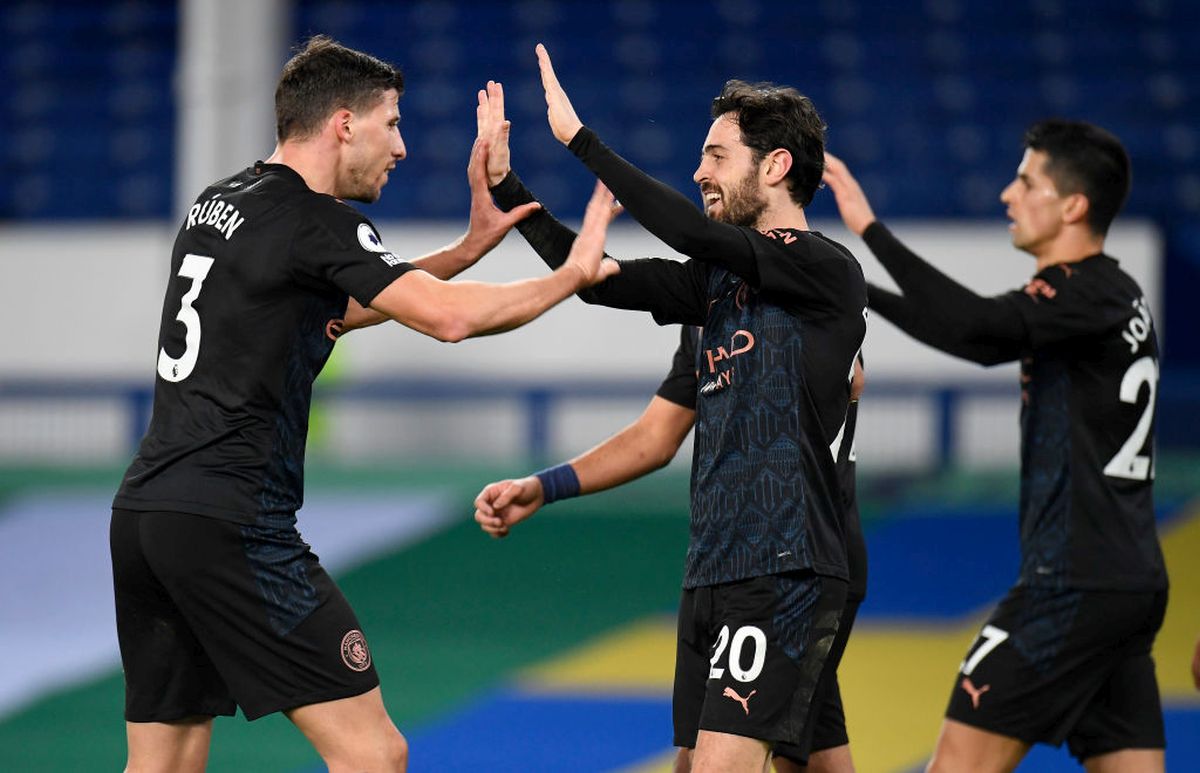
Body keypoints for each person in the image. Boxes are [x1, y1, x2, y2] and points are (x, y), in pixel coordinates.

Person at [109, 36, 621, 773]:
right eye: (392, 123)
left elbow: (334, 303)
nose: (403, 147)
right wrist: (569, 276)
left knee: (164, 763)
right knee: (374, 754)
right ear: (344, 123)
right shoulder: (322, 222)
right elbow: (448, 319)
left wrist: (462, 251)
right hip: (234, 522)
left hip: (147, 517)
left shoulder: (218, 203)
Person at [478, 46, 867, 771]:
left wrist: (580, 141)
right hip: (715, 567)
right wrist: (508, 186)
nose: (699, 172)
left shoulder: (826, 272)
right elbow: (592, 279)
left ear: (776, 165)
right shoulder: (713, 292)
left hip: (787, 563)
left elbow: (690, 233)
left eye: (716, 156)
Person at [822, 121, 1168, 772]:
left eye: (1027, 180)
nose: (1009, 194)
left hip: (1070, 585)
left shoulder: (1081, 289)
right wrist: (856, 291)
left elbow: (975, 325)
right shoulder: (1114, 296)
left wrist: (869, 232)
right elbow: (979, 341)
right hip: (1128, 589)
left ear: (1073, 205)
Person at [474, 327, 867, 773]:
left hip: (795, 564)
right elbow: (655, 437)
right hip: (727, 565)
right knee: (798, 751)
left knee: (717, 756)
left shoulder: (804, 283)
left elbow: (849, 377)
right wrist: (545, 486)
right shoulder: (706, 314)